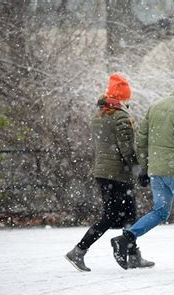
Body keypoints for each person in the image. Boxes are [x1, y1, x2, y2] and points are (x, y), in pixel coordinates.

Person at [110, 76, 174, 272]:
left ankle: (126, 237)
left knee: (160, 211)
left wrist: (145, 168)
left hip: (156, 170)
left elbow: (141, 140)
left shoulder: (155, 106)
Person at [65, 74, 154, 272]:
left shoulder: (100, 115)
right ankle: (79, 250)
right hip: (117, 174)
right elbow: (127, 149)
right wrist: (140, 170)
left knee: (130, 213)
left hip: (104, 172)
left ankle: (133, 255)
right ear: (122, 97)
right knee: (111, 215)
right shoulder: (121, 117)